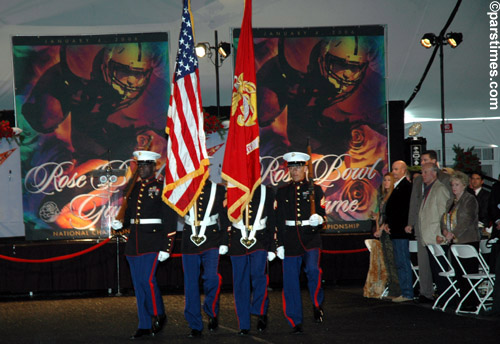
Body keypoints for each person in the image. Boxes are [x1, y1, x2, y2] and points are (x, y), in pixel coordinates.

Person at [111, 150, 177, 339]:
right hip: (134, 243)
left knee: (147, 280)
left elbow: (170, 219)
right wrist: (121, 223)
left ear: (154, 166)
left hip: (153, 241)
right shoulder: (134, 188)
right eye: (139, 165)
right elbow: (130, 214)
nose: (141, 169)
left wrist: (167, 246)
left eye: (145, 165)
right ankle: (144, 323)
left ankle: (158, 313)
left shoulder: (162, 188)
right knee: (139, 285)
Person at [276, 152, 326, 334]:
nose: (295, 171)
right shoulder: (282, 192)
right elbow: (279, 219)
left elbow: (322, 212)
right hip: (290, 238)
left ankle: (316, 303)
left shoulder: (315, 188)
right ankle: (294, 319)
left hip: (310, 236)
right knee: (290, 281)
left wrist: (319, 219)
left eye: (298, 167)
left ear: (305, 168)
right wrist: (279, 243)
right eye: (291, 167)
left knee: (313, 270)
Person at [221, 184, 277, 335]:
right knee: (240, 282)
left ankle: (260, 311)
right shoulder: (233, 188)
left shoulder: (267, 191)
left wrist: (273, 246)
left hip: (260, 239)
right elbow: (225, 215)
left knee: (259, 276)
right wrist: (224, 241)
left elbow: (272, 219)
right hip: (237, 240)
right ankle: (244, 323)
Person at [181, 179, 228, 338]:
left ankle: (211, 309)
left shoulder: (218, 189)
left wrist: (224, 240)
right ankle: (195, 324)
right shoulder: (183, 187)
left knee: (211, 278)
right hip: (189, 240)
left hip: (211, 238)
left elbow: (224, 216)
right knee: (191, 284)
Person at [405, 150, 451, 304]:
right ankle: (426, 292)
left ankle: (445, 295)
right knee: (425, 263)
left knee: (438, 265)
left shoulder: (443, 182)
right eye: (421, 162)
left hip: (435, 231)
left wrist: (443, 230)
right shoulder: (420, 182)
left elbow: (445, 210)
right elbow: (414, 203)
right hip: (422, 228)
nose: (422, 165)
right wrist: (410, 223)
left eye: (425, 161)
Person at [441, 171, 480, 311]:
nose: (454, 187)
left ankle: (472, 301)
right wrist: (445, 230)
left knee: (468, 272)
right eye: (452, 185)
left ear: (464, 185)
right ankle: (463, 299)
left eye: (457, 185)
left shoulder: (469, 199)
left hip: (468, 240)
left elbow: (467, 220)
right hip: (455, 242)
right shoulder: (450, 201)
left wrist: (453, 233)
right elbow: (444, 218)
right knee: (459, 273)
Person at [384, 161, 413, 302]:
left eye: (396, 169)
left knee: (403, 262)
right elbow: (392, 210)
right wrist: (388, 224)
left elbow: (403, 210)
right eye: (393, 169)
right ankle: (405, 291)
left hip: (401, 231)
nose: (394, 172)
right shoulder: (397, 187)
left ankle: (407, 293)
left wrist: (394, 223)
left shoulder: (406, 187)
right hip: (396, 230)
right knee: (400, 262)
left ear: (403, 170)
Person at [373, 172, 400, 299]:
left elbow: (390, 215)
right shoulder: (382, 196)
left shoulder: (393, 196)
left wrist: (383, 227)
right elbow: (379, 214)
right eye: (385, 180)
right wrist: (378, 227)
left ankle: (397, 288)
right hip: (382, 230)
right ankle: (392, 286)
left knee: (392, 259)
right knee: (387, 261)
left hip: (389, 230)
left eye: (389, 180)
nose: (386, 182)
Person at [467, 172, 490, 236]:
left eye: (477, 179)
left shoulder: (487, 195)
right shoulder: (466, 194)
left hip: (480, 226)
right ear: (470, 180)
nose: (475, 181)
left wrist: (484, 225)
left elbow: (486, 212)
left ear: (482, 181)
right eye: (473, 179)